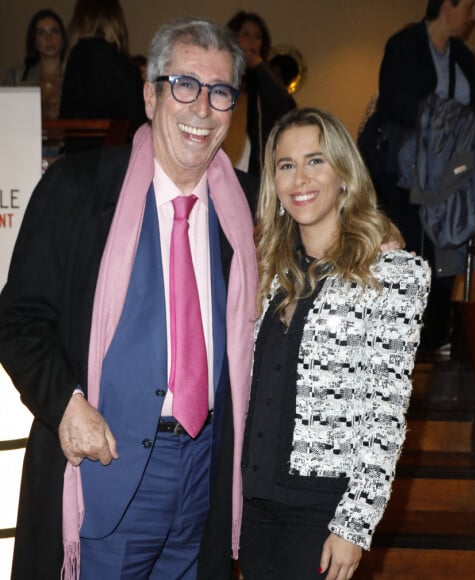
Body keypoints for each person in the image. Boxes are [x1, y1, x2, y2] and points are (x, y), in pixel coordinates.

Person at [0, 17, 258, 580]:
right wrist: (65, 403)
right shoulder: (76, 189)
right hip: (104, 473)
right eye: (185, 85)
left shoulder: (249, 211)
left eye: (220, 93)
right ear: (150, 93)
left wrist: (378, 234)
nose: (202, 109)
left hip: (205, 477)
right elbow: (18, 319)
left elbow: (327, 219)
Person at [238, 107, 431, 580]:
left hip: (322, 513)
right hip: (254, 504)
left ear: (344, 174)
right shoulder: (266, 270)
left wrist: (355, 523)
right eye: (286, 165)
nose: (299, 178)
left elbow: (386, 411)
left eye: (315, 161)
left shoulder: (393, 275)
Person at [371, 0, 475, 359]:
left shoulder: (463, 55)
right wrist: (455, 120)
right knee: (412, 254)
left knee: (446, 256)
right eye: (470, 6)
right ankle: (401, 344)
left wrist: (468, 122)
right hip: (404, 175)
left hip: (449, 178)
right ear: (447, 5)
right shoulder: (404, 44)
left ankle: (433, 340)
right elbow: (395, 101)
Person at [59, 0, 146, 145]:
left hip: (77, 157)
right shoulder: (115, 60)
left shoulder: (74, 58)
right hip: (111, 158)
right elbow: (138, 117)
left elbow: (66, 116)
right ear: (115, 21)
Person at [225, 10, 296, 178]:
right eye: (246, 34)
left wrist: (260, 67)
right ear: (233, 38)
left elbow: (288, 111)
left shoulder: (266, 76)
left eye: (258, 37)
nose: (253, 41)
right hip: (224, 166)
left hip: (256, 171)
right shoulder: (222, 75)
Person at [2, 9, 66, 119]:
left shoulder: (76, 76)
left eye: (54, 31)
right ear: (34, 41)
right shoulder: (16, 77)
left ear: (63, 38)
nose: (48, 39)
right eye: (41, 33)